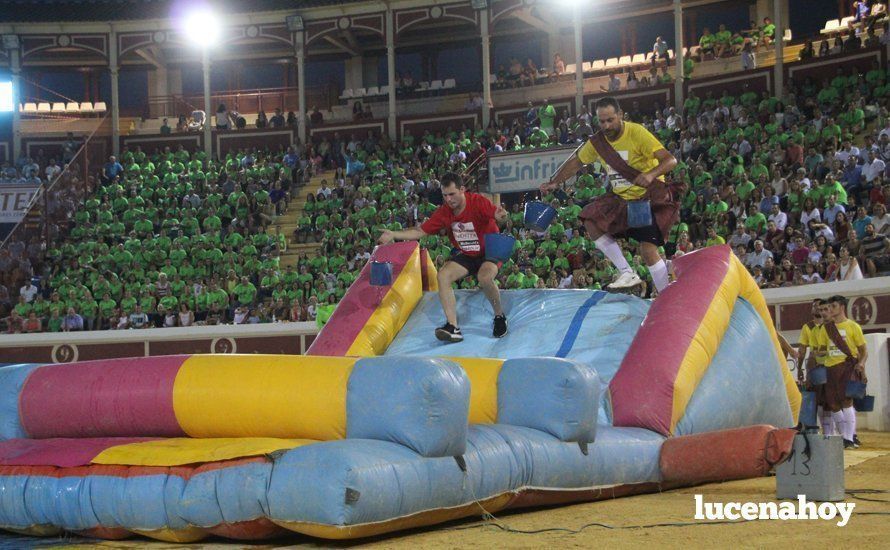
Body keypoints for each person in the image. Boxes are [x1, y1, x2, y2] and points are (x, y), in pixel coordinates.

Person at [541, 97, 680, 292]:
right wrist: (555, 181)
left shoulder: (637, 133)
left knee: (647, 251)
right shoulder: (597, 142)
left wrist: (650, 174)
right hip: (622, 198)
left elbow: (670, 160)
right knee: (589, 219)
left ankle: (666, 296)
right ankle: (626, 272)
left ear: (620, 115)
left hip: (649, 196)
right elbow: (577, 162)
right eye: (602, 121)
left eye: (610, 120)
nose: (606, 125)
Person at [377, 172, 509, 342]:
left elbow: (500, 218)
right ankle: (453, 327)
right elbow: (420, 231)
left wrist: (501, 217)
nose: (448, 199)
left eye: (452, 194)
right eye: (445, 195)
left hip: (491, 250)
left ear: (462, 189)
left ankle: (499, 316)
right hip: (468, 254)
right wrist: (394, 234)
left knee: (484, 276)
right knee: (443, 275)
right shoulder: (444, 212)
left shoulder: (477, 202)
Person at [814, 295, 867, 449]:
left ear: (842, 307)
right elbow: (822, 350)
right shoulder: (826, 328)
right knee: (833, 403)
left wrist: (861, 364)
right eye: (829, 307)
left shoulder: (853, 326)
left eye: (833, 306)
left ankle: (849, 438)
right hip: (830, 368)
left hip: (847, 367)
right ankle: (844, 437)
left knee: (847, 401)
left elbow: (863, 350)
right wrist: (817, 353)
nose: (829, 309)